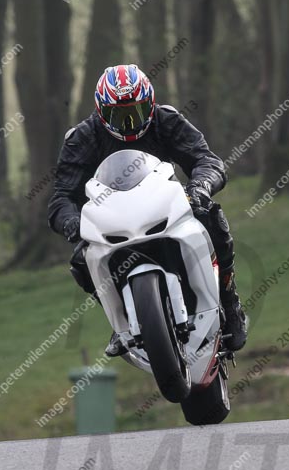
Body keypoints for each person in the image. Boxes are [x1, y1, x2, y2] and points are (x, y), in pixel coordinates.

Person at [48, 64, 247, 357]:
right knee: (81, 259)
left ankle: (229, 302)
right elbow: (61, 197)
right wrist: (71, 222)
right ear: (102, 112)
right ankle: (120, 324)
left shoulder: (166, 120)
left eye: (137, 112)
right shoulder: (82, 138)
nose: (129, 123)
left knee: (212, 219)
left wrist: (201, 187)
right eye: (120, 116)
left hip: (167, 205)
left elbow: (207, 160)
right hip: (111, 220)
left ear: (150, 104)